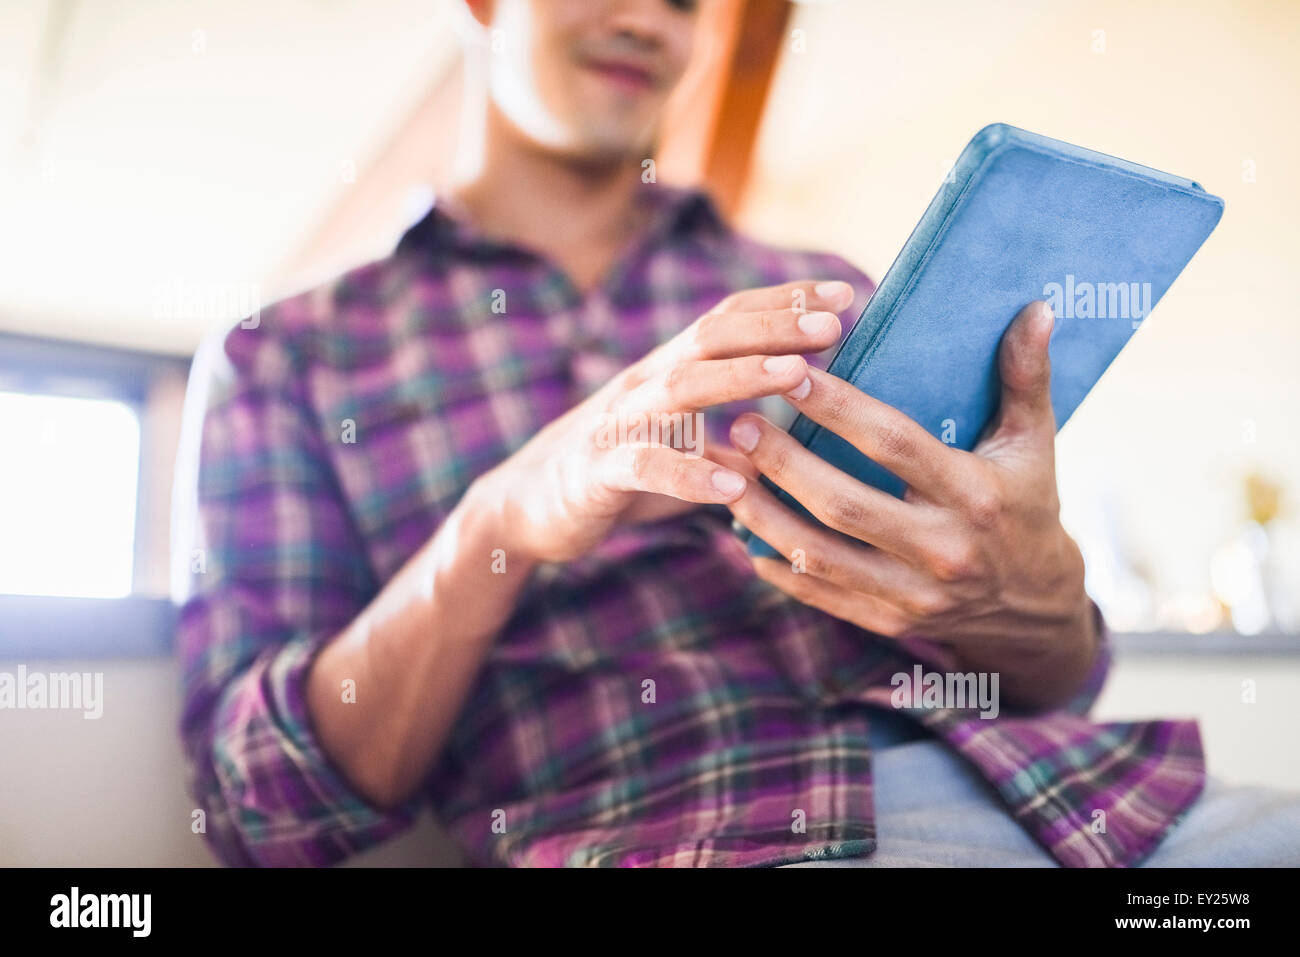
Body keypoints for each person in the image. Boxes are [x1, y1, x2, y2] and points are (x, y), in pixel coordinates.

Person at [174, 0, 1298, 867]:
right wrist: (501, 518)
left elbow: (1058, 681)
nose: (648, 21)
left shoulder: (831, 291)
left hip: (1095, 805)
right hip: (694, 834)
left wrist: (1038, 600)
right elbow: (258, 807)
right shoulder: (284, 357)